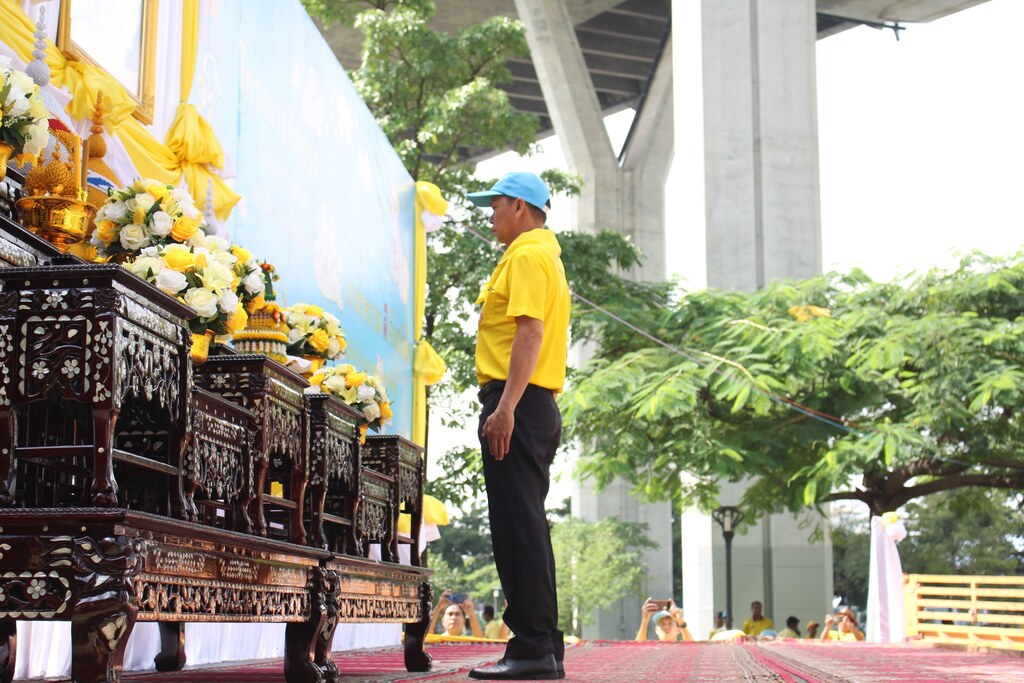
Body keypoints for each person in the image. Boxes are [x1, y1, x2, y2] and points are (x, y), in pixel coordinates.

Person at [465, 172, 571, 682]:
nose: (490, 214)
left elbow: (529, 332)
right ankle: (544, 645)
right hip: (533, 403)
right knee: (526, 524)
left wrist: (504, 407)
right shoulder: (541, 255)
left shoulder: (528, 255)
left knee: (516, 526)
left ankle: (531, 646)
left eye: (495, 205)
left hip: (518, 402)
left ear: (520, 208)